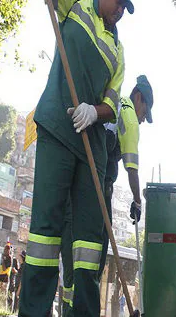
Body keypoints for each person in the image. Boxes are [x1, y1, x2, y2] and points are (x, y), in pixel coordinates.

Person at [20, 0, 133, 315]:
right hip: (57, 128)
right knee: (45, 233)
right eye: (119, 2)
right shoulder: (77, 1)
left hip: (91, 151)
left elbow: (113, 105)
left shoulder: (118, 51)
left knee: (88, 246)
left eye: (125, 8)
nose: (120, 11)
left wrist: (93, 111)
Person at [59, 76, 153, 315]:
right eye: (146, 111)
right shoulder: (129, 116)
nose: (143, 119)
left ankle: (72, 308)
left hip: (80, 182)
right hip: (98, 185)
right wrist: (137, 200)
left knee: (75, 251)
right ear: (138, 98)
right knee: (96, 252)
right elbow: (132, 168)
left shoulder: (113, 104)